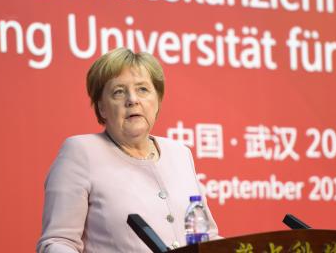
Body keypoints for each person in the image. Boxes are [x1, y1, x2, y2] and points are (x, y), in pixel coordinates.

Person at [37, 48, 220, 253]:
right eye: (119, 91)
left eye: (143, 89)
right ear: (102, 108)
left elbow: (208, 237)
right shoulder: (81, 152)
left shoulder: (180, 154)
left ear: (157, 100)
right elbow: (58, 242)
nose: (132, 99)